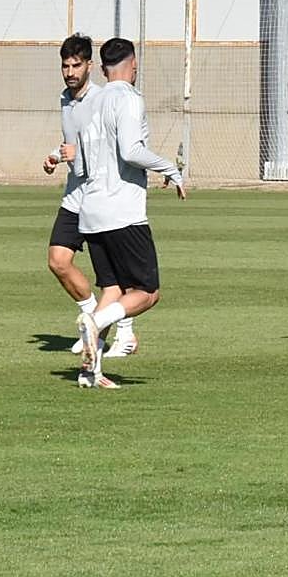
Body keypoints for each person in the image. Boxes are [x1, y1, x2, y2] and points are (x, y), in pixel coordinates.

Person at [72, 38, 186, 389]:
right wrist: (170, 168)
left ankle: (91, 372)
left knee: (112, 291)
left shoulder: (90, 101)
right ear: (133, 64)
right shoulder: (129, 98)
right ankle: (93, 323)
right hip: (122, 212)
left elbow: (80, 164)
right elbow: (131, 150)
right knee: (147, 292)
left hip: (91, 211)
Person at [42, 34, 137, 363]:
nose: (70, 72)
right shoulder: (65, 99)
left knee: (114, 275)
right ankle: (94, 318)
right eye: (65, 66)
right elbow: (74, 142)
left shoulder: (102, 99)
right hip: (74, 197)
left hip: (100, 199)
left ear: (90, 66)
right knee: (58, 261)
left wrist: (77, 154)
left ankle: (122, 333)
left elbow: (109, 146)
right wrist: (57, 155)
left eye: (76, 65)